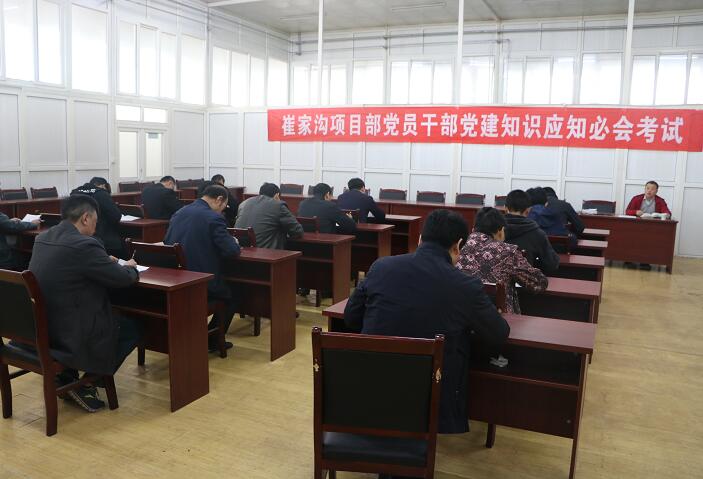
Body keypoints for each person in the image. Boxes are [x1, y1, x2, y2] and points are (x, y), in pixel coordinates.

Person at [344, 209, 509, 434]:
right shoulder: (466, 286)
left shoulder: (381, 267)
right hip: (429, 397)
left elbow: (351, 318)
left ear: (420, 238)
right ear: (458, 246)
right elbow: (498, 334)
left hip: (371, 384)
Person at [28, 195, 141, 412]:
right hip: (69, 331)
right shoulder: (84, 244)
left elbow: (72, 267)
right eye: (96, 222)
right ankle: (88, 383)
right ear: (86, 218)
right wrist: (131, 268)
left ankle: (67, 376)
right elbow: (120, 279)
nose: (96, 227)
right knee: (131, 328)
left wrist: (103, 260)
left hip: (43, 326)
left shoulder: (43, 237)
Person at [164, 184, 241, 352]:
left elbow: (167, 241)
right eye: (224, 206)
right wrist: (233, 241)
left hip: (176, 278)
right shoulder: (213, 218)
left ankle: (202, 336)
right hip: (201, 281)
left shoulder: (180, 212)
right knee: (233, 295)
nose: (223, 211)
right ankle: (213, 340)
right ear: (219, 200)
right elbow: (231, 251)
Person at [457, 207, 547, 314]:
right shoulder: (508, 251)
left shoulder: (457, 248)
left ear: (473, 229)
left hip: (462, 314)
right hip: (499, 317)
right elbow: (538, 282)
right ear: (501, 231)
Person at [503, 189, 560, 275]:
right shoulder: (538, 233)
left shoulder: (494, 229)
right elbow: (552, 264)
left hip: (495, 281)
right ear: (528, 210)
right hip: (525, 281)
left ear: (505, 208)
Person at [235, 182, 303, 249]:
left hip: (240, 250)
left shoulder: (243, 204)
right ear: (277, 195)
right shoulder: (278, 205)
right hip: (264, 252)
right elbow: (297, 231)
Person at [71, 177, 125, 259]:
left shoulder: (75, 192)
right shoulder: (101, 194)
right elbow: (116, 216)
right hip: (104, 241)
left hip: (78, 239)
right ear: (103, 185)